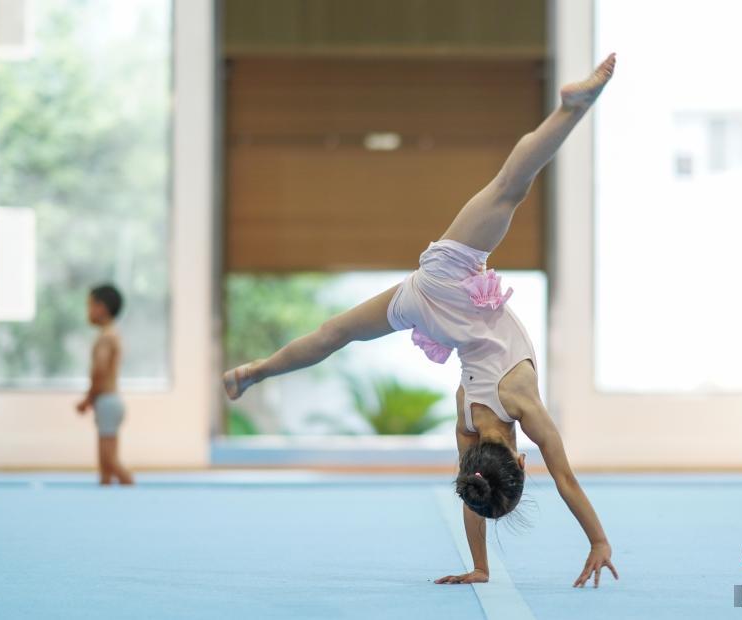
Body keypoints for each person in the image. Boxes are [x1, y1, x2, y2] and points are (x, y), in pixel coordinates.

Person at [224, 55, 619, 587]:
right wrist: (480, 566)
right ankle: (254, 372)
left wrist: (598, 539)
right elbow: (475, 488)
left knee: (511, 185)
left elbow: (565, 479)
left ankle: (571, 109)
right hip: (426, 311)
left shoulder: (522, 404)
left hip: (452, 285)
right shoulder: (466, 426)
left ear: (522, 462)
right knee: (335, 333)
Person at [77, 284, 134, 486]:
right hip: (110, 401)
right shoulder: (112, 334)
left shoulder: (106, 337)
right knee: (105, 466)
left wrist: (88, 398)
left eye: (90, 305)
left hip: (107, 401)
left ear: (101, 308)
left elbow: (100, 371)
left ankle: (131, 487)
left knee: (109, 461)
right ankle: (105, 490)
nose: (88, 311)